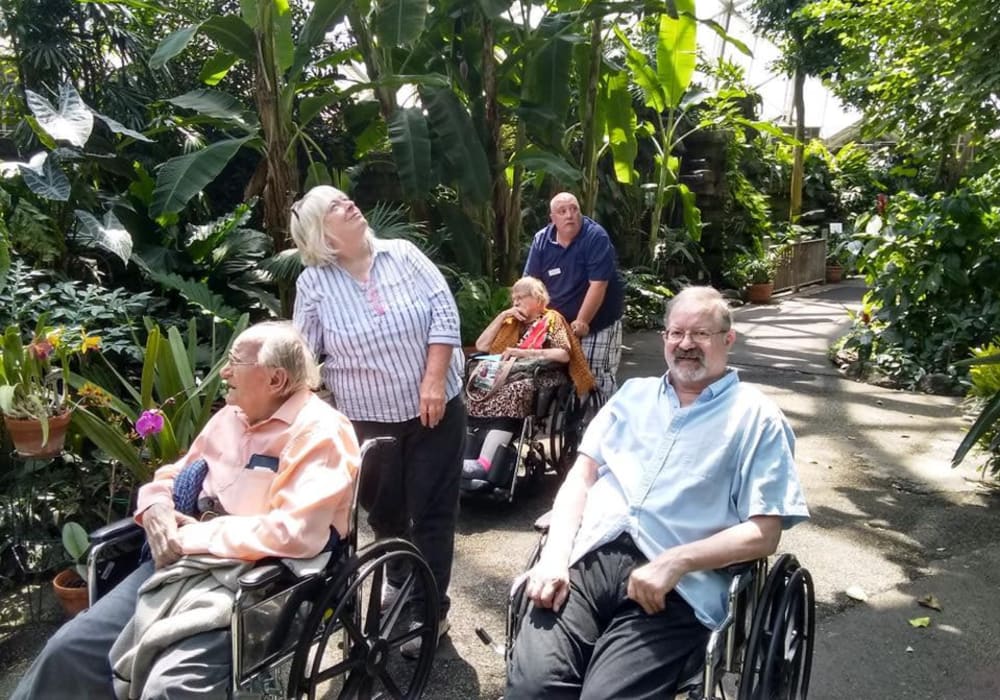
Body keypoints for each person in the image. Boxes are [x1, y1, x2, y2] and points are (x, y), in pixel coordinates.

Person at [13, 321, 361, 700]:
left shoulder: (320, 432)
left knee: (171, 689)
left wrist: (194, 535)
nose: (224, 372)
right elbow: (175, 474)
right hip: (182, 562)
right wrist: (157, 507)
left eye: (234, 362)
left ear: (275, 380)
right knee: (68, 652)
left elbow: (295, 534)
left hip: (257, 578)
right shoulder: (230, 417)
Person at [506, 286, 810, 699]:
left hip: (676, 587)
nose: (686, 344)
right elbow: (581, 477)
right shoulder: (633, 396)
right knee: (532, 688)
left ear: (728, 340)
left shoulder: (756, 418)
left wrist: (677, 561)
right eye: (676, 333)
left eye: (701, 334)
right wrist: (556, 557)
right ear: (664, 337)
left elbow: (765, 533)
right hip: (586, 560)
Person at [289, 185, 466, 658]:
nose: (350, 203)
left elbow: (445, 316)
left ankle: (431, 609)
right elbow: (304, 354)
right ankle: (398, 580)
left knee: (432, 511)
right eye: (335, 207)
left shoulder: (403, 254)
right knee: (385, 513)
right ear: (321, 234)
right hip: (368, 418)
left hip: (437, 407)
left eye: (347, 198)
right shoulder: (314, 284)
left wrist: (432, 380)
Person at [462, 276, 594, 484]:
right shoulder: (510, 321)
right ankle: (469, 458)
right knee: (478, 389)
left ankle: (485, 463)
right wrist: (503, 315)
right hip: (506, 373)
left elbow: (563, 354)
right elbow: (481, 345)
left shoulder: (552, 320)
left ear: (538, 298)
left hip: (543, 376)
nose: (515, 303)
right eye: (513, 299)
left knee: (514, 391)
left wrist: (523, 353)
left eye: (520, 298)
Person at [524, 192, 624, 403]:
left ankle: (605, 424)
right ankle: (567, 424)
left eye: (574, 209)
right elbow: (531, 284)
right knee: (551, 372)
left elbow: (598, 285)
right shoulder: (542, 240)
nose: (570, 215)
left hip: (598, 321)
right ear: (552, 218)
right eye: (562, 211)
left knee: (596, 375)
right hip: (558, 322)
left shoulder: (595, 237)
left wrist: (582, 321)